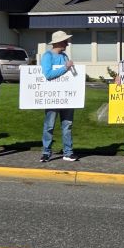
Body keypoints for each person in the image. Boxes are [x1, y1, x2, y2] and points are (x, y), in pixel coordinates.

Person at [40, 31, 77, 162]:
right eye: (65, 41)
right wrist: (65, 68)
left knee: (67, 125)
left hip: (66, 97)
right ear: (58, 42)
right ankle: (46, 152)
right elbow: (48, 74)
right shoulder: (47, 56)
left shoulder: (65, 56)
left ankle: (68, 152)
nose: (67, 43)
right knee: (49, 125)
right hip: (52, 96)